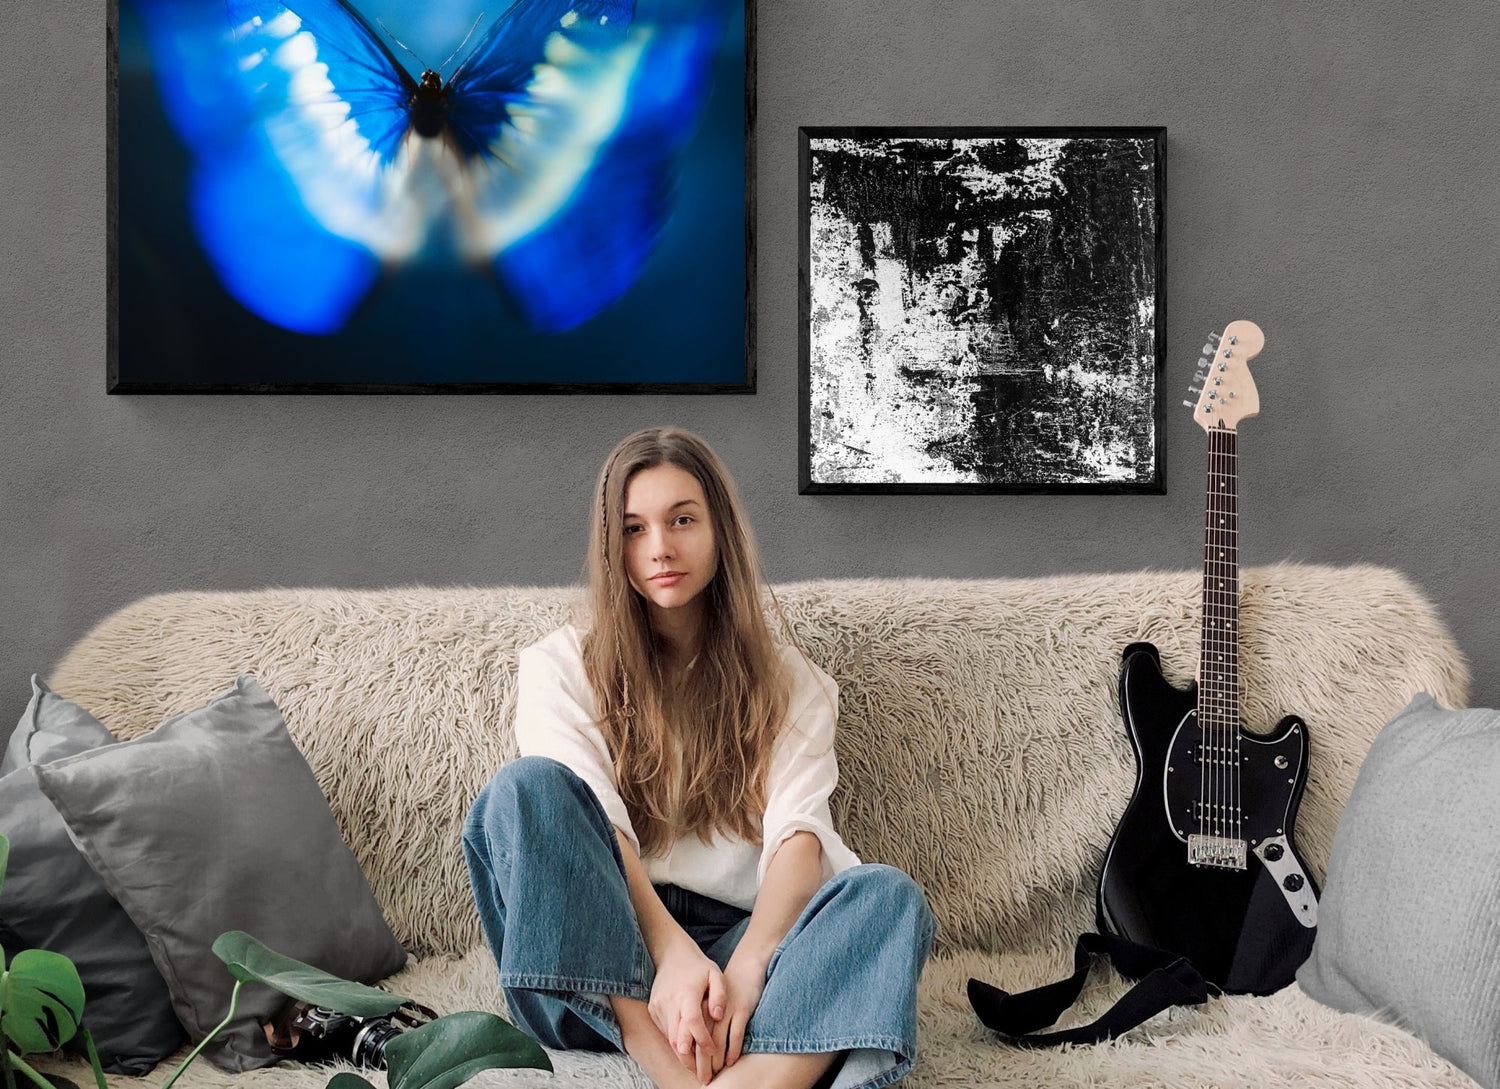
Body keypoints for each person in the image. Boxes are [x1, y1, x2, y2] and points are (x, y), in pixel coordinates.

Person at [463, 427, 935, 1089]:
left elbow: (799, 837)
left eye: (682, 519)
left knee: (889, 896)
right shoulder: (559, 665)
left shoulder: (791, 680)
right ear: (610, 544)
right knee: (527, 788)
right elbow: (595, 828)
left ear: (721, 530)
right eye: (633, 528)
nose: (659, 548)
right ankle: (673, 1070)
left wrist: (745, 969)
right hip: (594, 948)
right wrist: (667, 953)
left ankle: (763, 1079)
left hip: (735, 940)